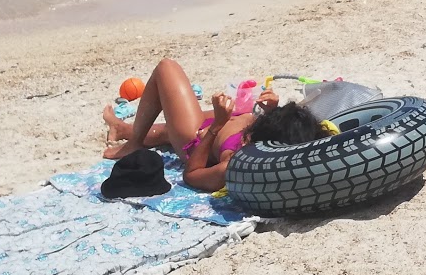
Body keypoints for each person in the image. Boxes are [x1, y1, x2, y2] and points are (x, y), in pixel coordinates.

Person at [100, 59, 319, 192]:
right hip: (220, 124)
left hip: (196, 137)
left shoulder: (234, 163)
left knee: (166, 69)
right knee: (166, 131)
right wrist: (272, 110)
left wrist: (217, 125)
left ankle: (134, 142)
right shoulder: (275, 142)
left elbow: (192, 174)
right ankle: (123, 129)